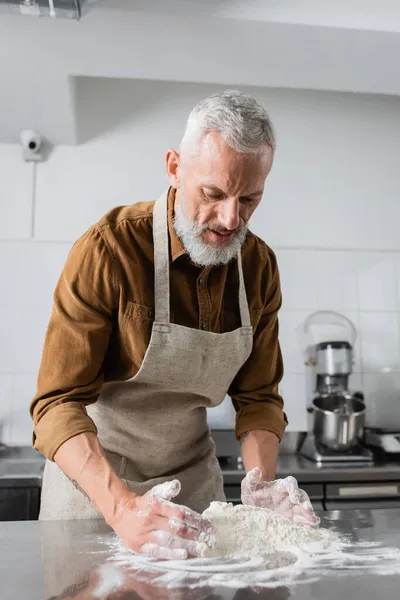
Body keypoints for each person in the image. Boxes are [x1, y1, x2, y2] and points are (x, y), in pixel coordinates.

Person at [30, 90, 318, 561]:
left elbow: (259, 396)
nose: (231, 219)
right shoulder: (109, 250)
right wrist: (122, 508)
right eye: (213, 193)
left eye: (250, 198)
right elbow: (56, 403)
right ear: (173, 168)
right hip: (95, 493)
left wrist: (261, 484)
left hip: (193, 488)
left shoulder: (258, 266)